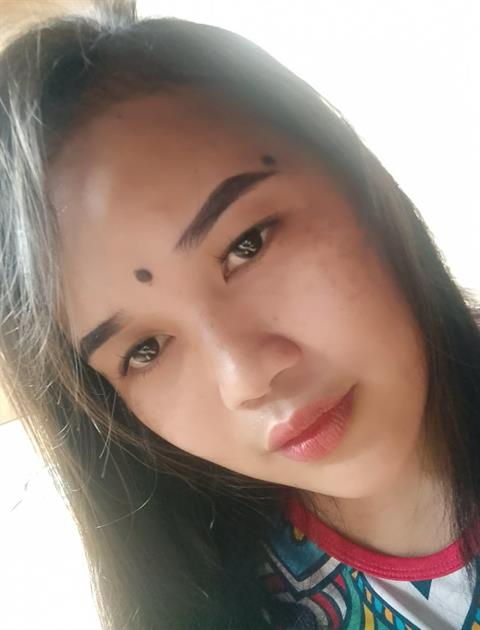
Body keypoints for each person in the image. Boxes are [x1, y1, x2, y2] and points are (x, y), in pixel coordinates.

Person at [0, 1, 479, 628]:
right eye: (145, 350)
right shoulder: (212, 594)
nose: (246, 379)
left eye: (247, 244)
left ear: (357, 181)